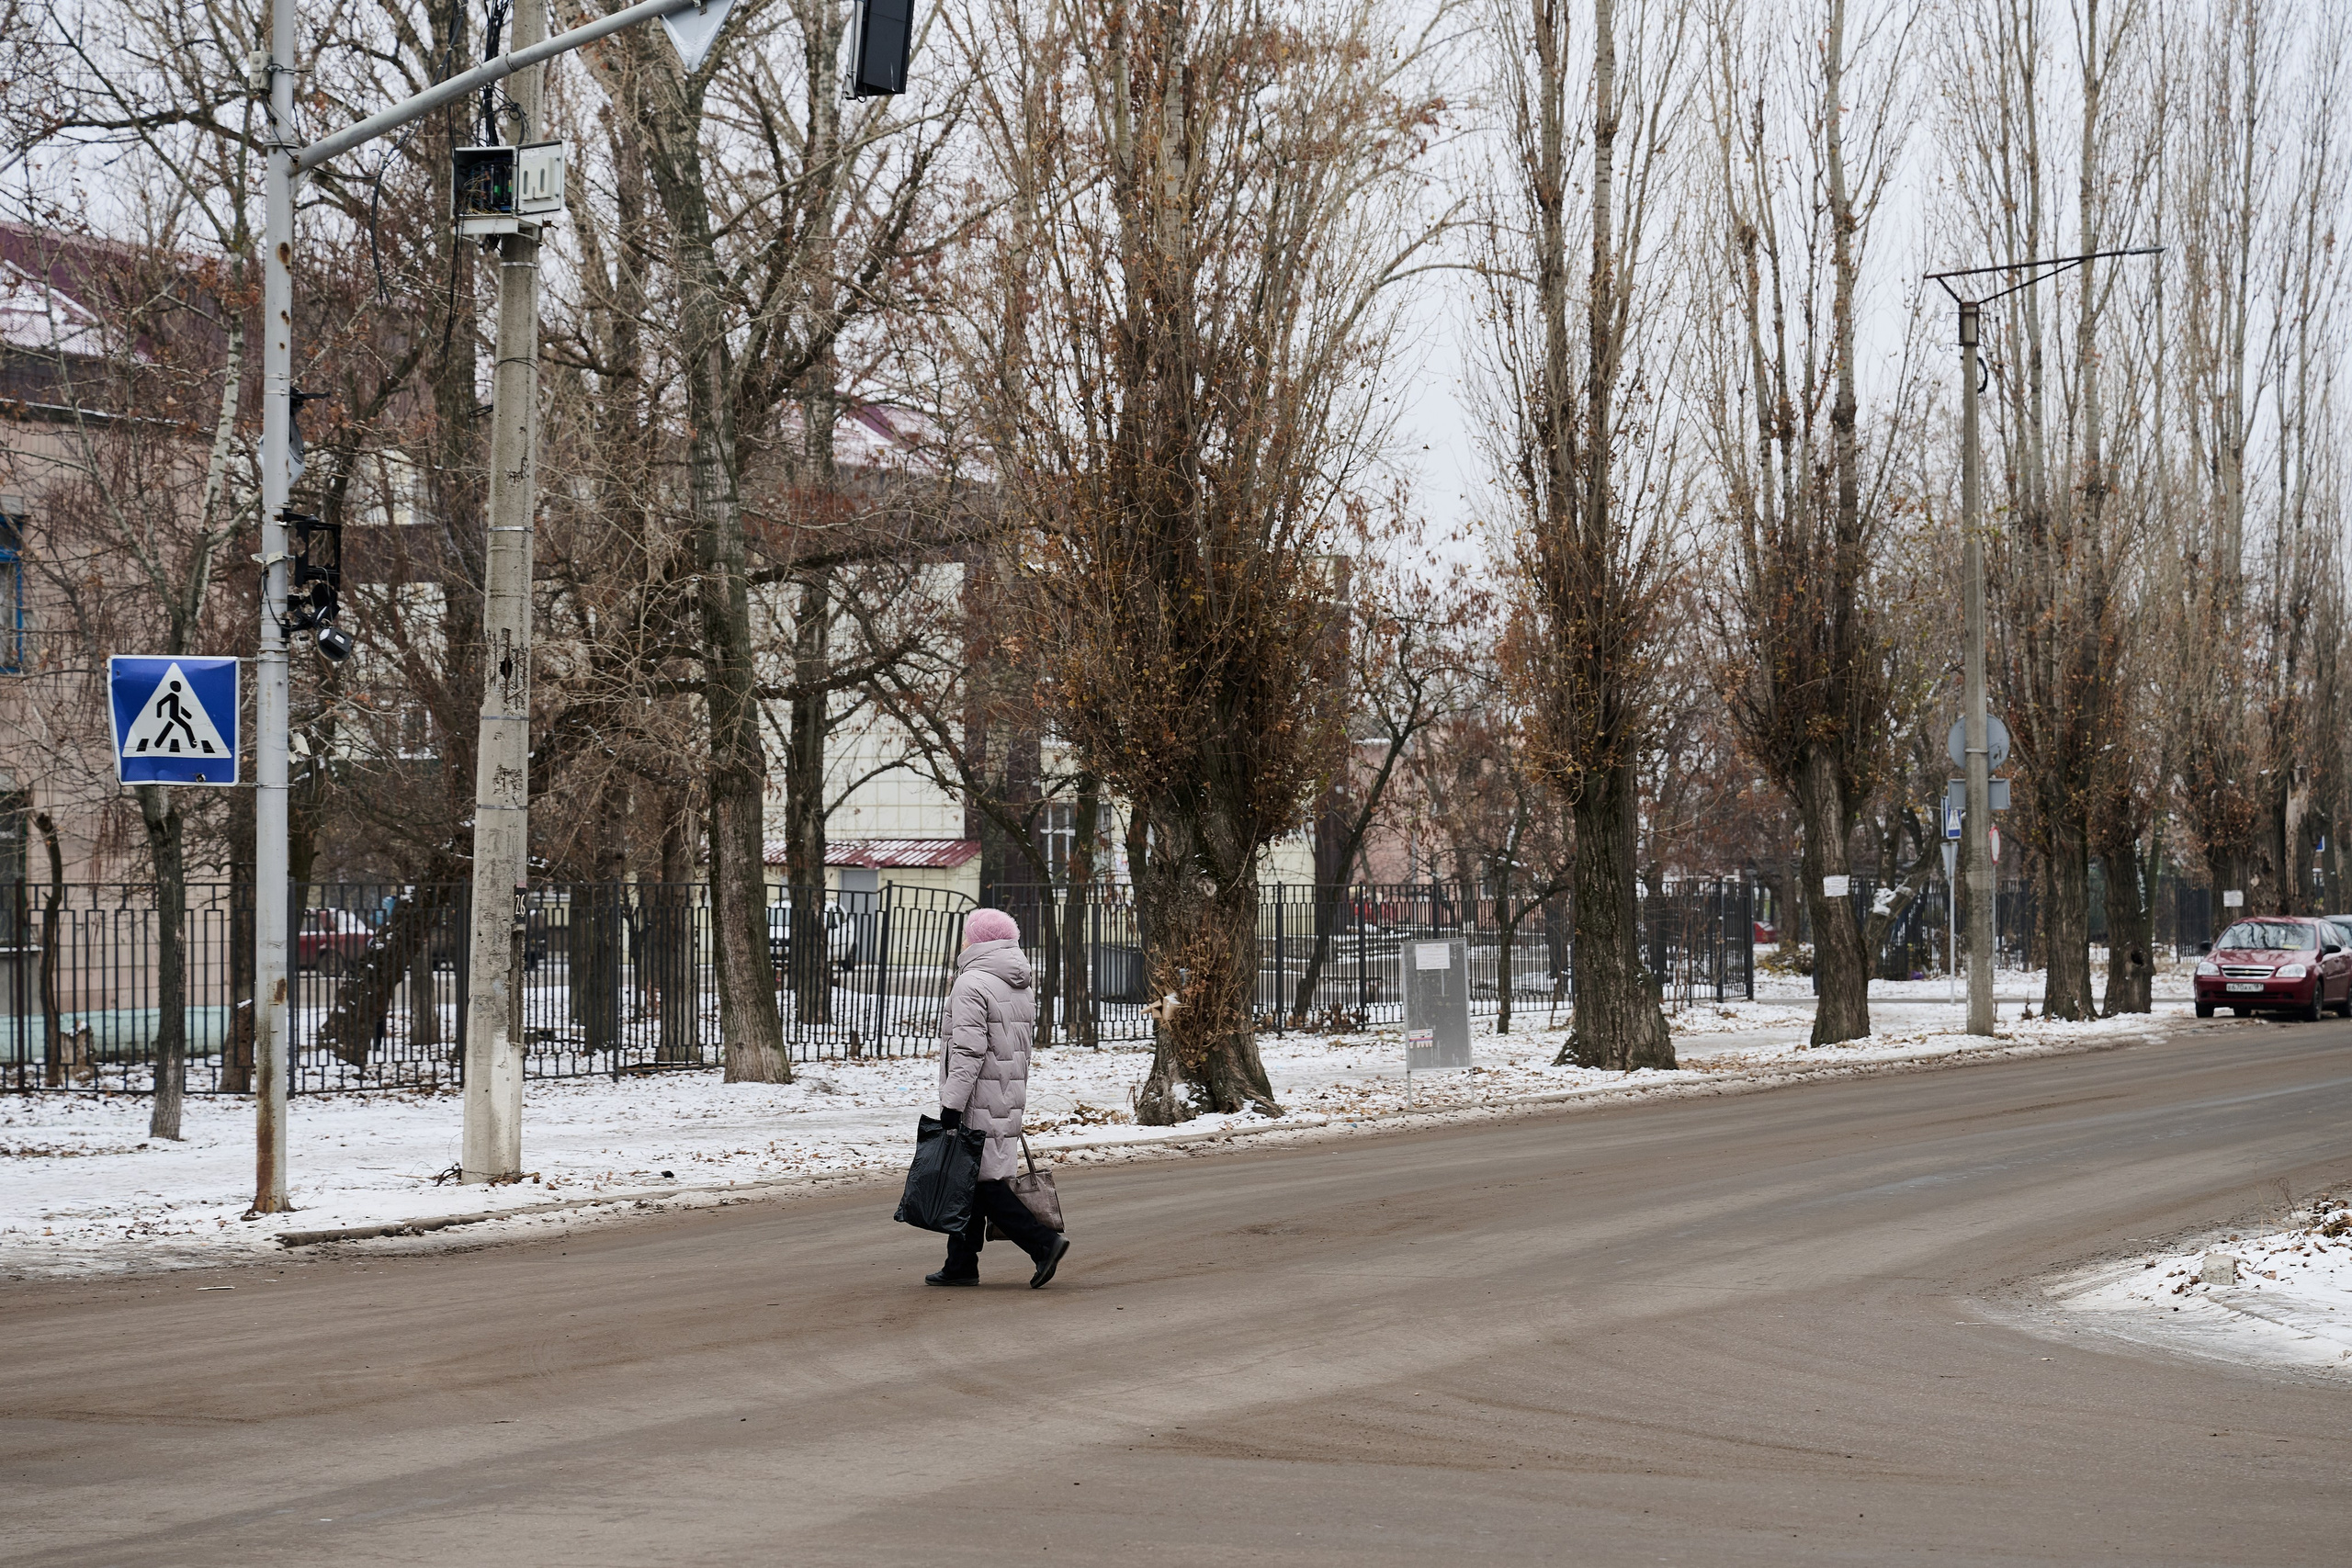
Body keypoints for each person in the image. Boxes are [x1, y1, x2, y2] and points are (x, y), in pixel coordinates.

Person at [928, 908, 1071, 1289]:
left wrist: (951, 1104)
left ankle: (1043, 1243)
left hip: (977, 1096)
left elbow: (969, 1051)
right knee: (971, 1176)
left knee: (982, 1182)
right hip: (1007, 1091)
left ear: (977, 940)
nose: (962, 941)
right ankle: (960, 1264)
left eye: (966, 934)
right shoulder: (1017, 981)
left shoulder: (971, 983)